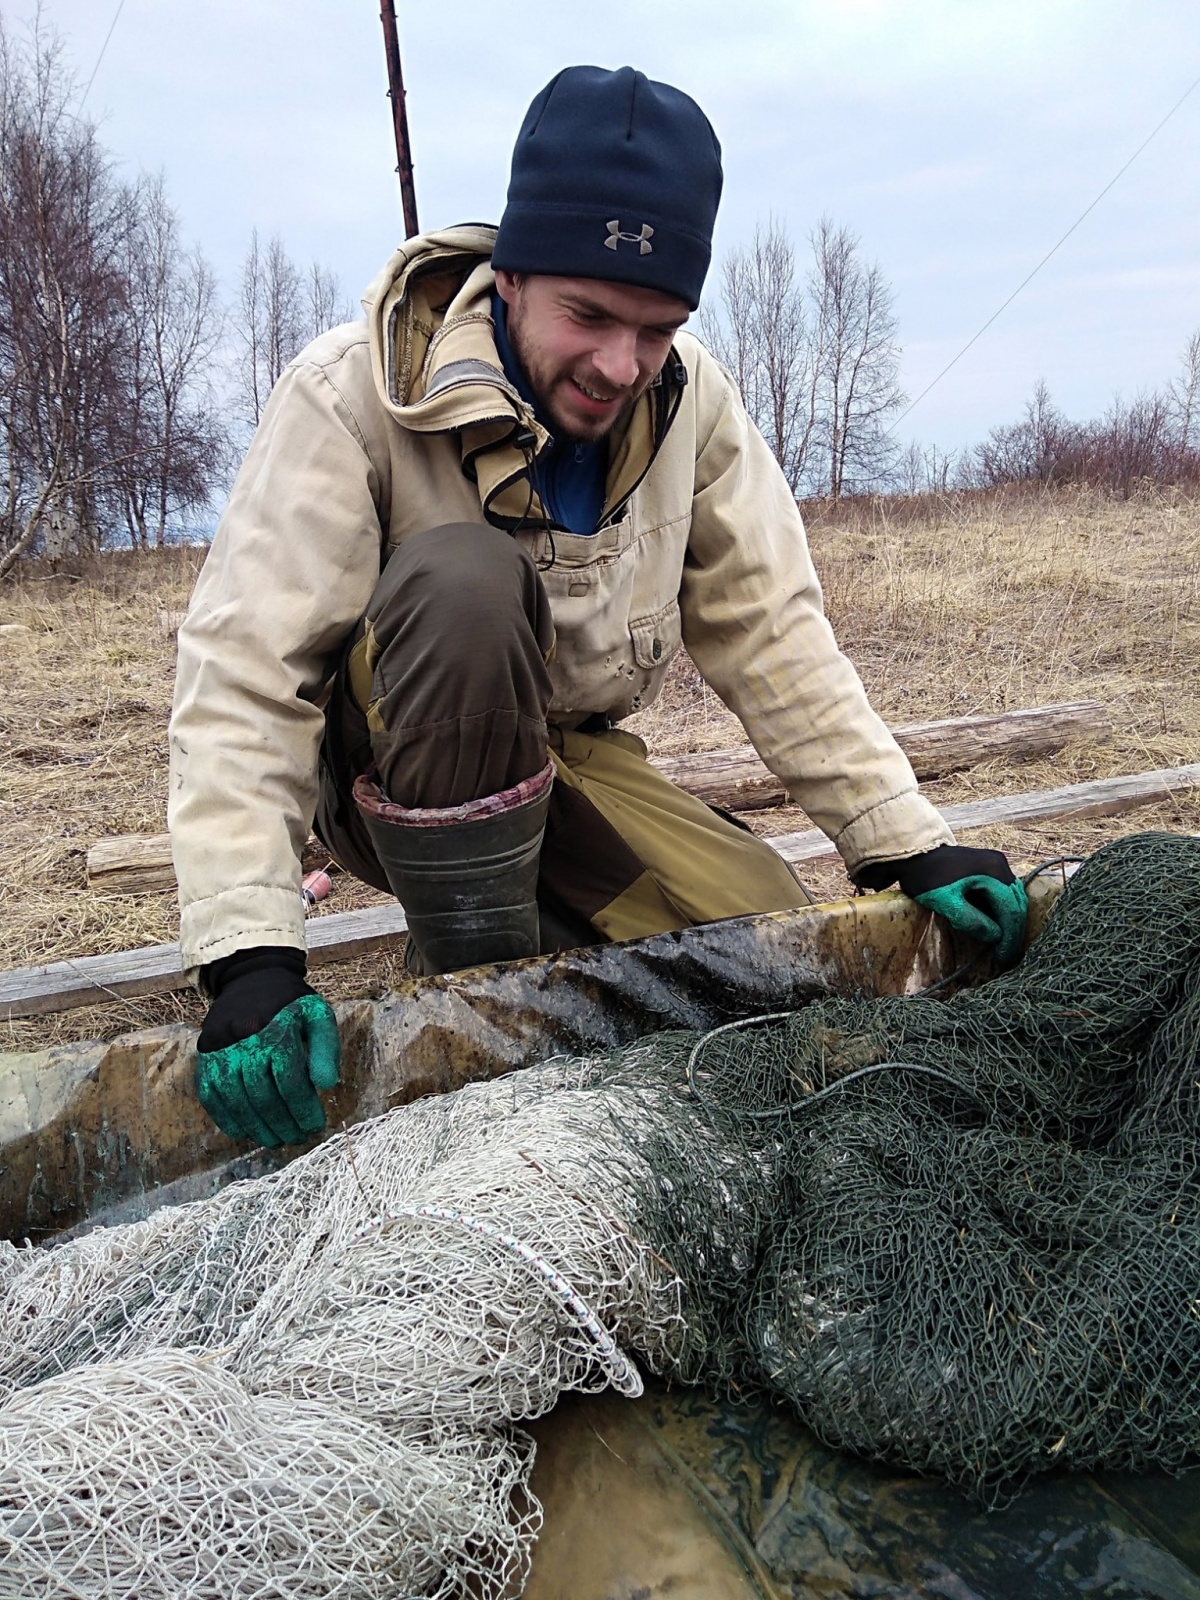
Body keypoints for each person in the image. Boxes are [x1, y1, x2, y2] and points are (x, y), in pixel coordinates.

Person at [170, 65, 1027, 1149]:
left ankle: (531, 938)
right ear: (512, 276)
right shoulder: (350, 394)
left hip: (561, 755)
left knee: (772, 959)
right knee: (466, 584)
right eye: (590, 315)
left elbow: (775, 630)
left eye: (659, 327)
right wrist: (252, 958)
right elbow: (247, 676)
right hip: (383, 760)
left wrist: (905, 842)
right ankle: (471, 994)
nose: (622, 364)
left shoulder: (689, 401)